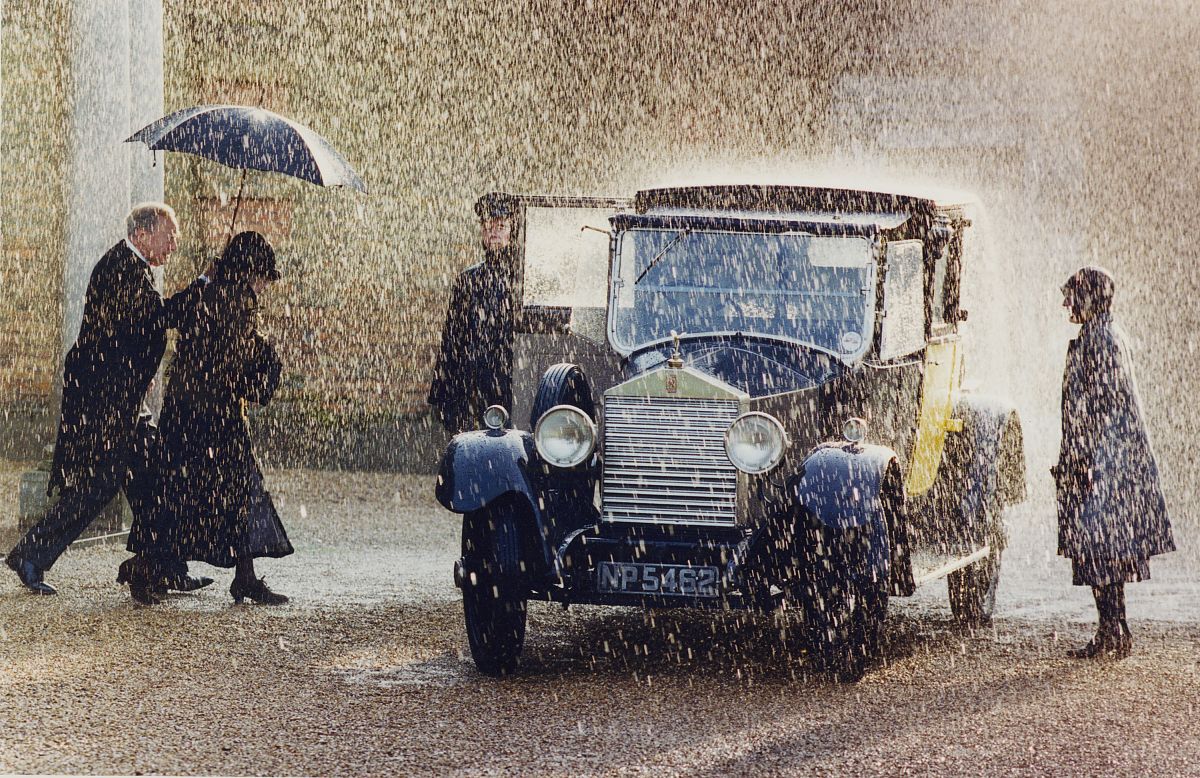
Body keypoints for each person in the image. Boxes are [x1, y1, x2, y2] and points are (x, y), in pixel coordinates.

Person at [5, 203, 211, 598]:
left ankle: (166, 567)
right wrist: (201, 285)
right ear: (142, 234)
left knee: (154, 479)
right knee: (98, 485)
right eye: (169, 237)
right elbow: (155, 318)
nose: (173, 245)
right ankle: (32, 556)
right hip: (105, 403)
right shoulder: (120, 268)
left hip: (121, 402)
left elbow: (147, 326)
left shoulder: (132, 268)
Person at [141, 231, 293, 605]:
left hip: (184, 411)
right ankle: (156, 569)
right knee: (236, 489)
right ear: (251, 271)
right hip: (215, 413)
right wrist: (267, 367)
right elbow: (234, 356)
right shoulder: (236, 298)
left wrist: (204, 282)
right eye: (262, 276)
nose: (264, 285)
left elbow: (172, 315)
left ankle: (160, 568)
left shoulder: (211, 290)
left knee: (180, 488)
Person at [1053, 266, 1174, 659]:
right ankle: (1114, 631)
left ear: (1090, 298)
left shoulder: (1100, 339)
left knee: (1098, 547)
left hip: (1106, 461)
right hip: (1110, 458)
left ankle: (1112, 632)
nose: (1067, 303)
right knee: (1105, 549)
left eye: (1073, 295)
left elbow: (1101, 408)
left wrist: (1087, 460)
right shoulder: (1104, 333)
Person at [428, 193, 521, 433]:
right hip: (471, 386)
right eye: (487, 225)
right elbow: (452, 339)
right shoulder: (468, 280)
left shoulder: (524, 280)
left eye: (501, 226)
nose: (493, 232)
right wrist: (443, 390)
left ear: (513, 230)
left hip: (513, 385)